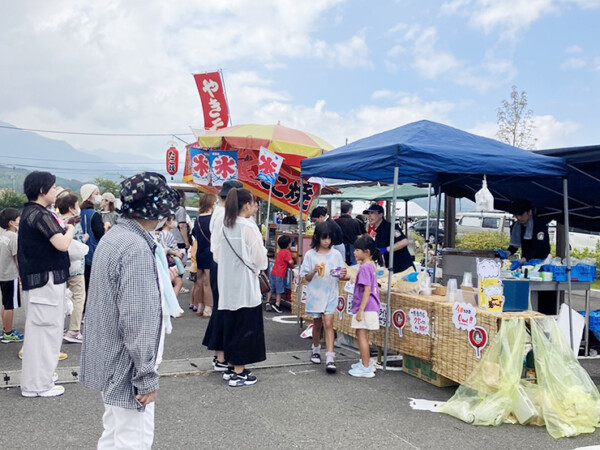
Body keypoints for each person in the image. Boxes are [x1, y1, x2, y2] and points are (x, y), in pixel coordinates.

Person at [81, 172, 180, 449]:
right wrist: (146, 374)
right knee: (133, 438)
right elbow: (137, 318)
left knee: (114, 431)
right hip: (128, 361)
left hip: (111, 353)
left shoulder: (116, 237)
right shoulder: (136, 247)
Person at [19, 172, 74, 398]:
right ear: (42, 190)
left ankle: (39, 379)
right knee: (45, 333)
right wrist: (70, 228)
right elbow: (61, 244)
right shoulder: (40, 214)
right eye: (52, 188)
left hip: (40, 281)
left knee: (42, 333)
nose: (56, 192)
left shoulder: (31, 213)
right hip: (45, 281)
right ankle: (38, 385)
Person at [214, 188, 268, 387]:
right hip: (245, 285)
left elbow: (216, 255)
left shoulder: (225, 224)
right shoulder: (248, 226)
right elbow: (260, 258)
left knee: (231, 324)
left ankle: (231, 366)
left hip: (227, 284)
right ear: (246, 205)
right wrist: (259, 267)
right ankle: (239, 371)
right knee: (245, 327)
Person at [203, 180, 243, 374]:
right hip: (223, 265)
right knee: (224, 309)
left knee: (221, 308)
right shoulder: (226, 214)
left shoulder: (217, 212)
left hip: (217, 263)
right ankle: (221, 356)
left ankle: (219, 355)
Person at [300, 221, 347, 374]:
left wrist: (342, 274)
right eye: (324, 238)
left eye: (329, 238)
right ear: (317, 238)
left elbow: (341, 276)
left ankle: (330, 358)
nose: (327, 241)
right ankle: (315, 348)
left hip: (331, 293)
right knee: (317, 324)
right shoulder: (310, 255)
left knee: (328, 323)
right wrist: (314, 271)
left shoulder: (336, 254)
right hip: (315, 294)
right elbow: (306, 278)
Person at [55, 193, 89, 344]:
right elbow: (80, 242)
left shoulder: (56, 221)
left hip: (61, 265)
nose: (78, 208)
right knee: (78, 297)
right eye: (76, 205)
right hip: (75, 266)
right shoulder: (74, 223)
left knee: (61, 297)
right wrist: (86, 238)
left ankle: (57, 329)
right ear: (71, 208)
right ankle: (74, 331)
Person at [349, 235, 382, 378]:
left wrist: (360, 310)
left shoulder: (364, 268)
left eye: (357, 250)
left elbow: (367, 290)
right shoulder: (371, 266)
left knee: (361, 336)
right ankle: (364, 361)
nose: (355, 253)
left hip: (365, 307)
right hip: (370, 306)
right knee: (361, 335)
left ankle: (366, 366)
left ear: (366, 252)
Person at [366, 204, 413, 273]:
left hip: (403, 267)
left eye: (372, 213)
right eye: (368, 213)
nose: (369, 216)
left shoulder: (390, 227)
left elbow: (404, 242)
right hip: (391, 268)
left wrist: (386, 249)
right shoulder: (377, 231)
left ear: (381, 215)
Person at [0, 208, 24, 343]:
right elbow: (17, 258)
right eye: (17, 218)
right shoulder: (13, 237)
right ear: (11, 222)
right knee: (10, 305)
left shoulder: (2, 234)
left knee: (5, 302)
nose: (19, 220)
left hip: (2, 274)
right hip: (10, 275)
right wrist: (21, 275)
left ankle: (5, 328)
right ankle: (8, 333)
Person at [192, 193, 217, 317]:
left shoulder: (197, 219)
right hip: (209, 252)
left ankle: (200, 306)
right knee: (208, 282)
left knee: (200, 281)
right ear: (212, 204)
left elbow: (194, 234)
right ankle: (208, 307)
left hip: (200, 251)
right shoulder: (213, 219)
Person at [506, 199, 551, 263]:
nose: (518, 218)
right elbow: (514, 245)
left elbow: (539, 247)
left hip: (541, 261)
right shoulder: (516, 226)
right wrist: (507, 253)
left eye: (521, 214)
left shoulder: (539, 225)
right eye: (516, 215)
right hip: (526, 260)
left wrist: (523, 259)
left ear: (529, 212)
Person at [80, 183, 105, 296]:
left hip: (80, 253)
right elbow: (100, 234)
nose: (99, 196)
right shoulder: (94, 215)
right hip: (92, 252)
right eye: (96, 193)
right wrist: (106, 226)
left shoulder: (78, 213)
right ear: (89, 196)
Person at [156, 216, 184, 297]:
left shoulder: (161, 234)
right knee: (178, 283)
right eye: (173, 220)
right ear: (167, 223)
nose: (175, 222)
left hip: (167, 262)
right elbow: (164, 248)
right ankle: (172, 304)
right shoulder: (166, 234)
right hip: (169, 263)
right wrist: (175, 252)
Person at [266, 235, 295, 313]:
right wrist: (293, 266)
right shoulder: (287, 252)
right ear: (288, 244)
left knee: (271, 288)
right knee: (279, 290)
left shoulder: (279, 251)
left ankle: (268, 302)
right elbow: (290, 262)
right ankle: (277, 304)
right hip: (280, 274)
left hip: (273, 272)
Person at [335, 201, 365, 265]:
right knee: (352, 269)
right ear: (350, 210)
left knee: (339, 267)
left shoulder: (335, 222)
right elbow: (359, 237)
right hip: (352, 249)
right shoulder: (355, 222)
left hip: (338, 248)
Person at [171, 190, 191, 254]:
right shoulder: (180, 209)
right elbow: (182, 226)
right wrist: (186, 241)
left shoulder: (166, 208)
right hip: (179, 240)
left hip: (168, 240)